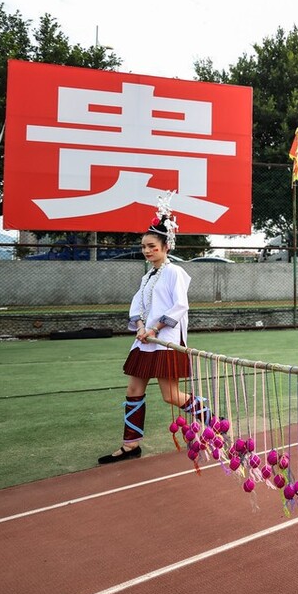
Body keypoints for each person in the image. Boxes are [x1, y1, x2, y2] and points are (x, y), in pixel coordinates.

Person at [99, 199, 205, 465]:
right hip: (144, 341)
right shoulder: (147, 277)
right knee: (134, 389)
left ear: (166, 247)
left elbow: (180, 305)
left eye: (152, 246)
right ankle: (130, 444)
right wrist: (140, 328)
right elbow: (137, 305)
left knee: (170, 396)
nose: (147, 251)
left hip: (165, 341)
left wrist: (155, 328)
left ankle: (212, 419)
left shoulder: (175, 273)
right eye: (144, 247)